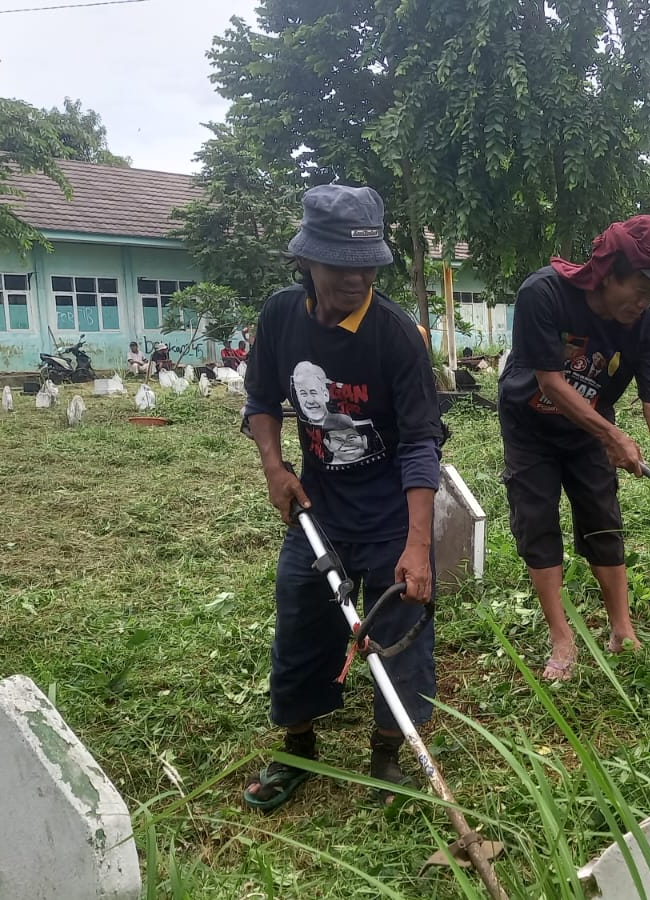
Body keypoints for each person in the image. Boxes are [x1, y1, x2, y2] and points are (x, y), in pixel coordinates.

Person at [239, 183, 444, 812]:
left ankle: (389, 751)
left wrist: (417, 546)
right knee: (301, 616)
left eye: (368, 265)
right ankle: (298, 746)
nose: (357, 279)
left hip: (390, 511)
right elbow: (261, 403)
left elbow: (419, 443)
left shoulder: (396, 336)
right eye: (341, 265)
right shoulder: (279, 318)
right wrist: (275, 467)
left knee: (400, 630)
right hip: (317, 507)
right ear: (308, 261)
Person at [498, 215, 650, 681]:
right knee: (537, 522)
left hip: (589, 431)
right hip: (529, 427)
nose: (645, 302)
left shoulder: (647, 330)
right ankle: (562, 637)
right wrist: (612, 435)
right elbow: (550, 382)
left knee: (602, 520)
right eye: (640, 288)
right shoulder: (544, 294)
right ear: (608, 270)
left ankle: (621, 629)